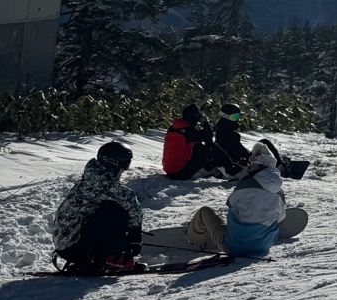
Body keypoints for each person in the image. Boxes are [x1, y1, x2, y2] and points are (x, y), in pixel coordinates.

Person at [52, 141, 142, 274]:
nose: (123, 171)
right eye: (124, 165)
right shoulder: (103, 184)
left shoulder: (93, 177)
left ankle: (100, 256)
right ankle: (109, 258)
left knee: (109, 207)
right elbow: (132, 205)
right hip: (76, 248)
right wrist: (134, 237)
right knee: (116, 209)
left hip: (68, 245)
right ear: (113, 163)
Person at [185, 142, 286, 259]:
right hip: (265, 246)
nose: (250, 164)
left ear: (260, 163)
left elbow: (230, 204)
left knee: (204, 212)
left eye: (253, 161)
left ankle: (193, 238)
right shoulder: (279, 190)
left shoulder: (246, 184)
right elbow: (281, 217)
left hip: (235, 247)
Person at [162, 103, 239, 179]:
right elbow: (208, 136)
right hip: (179, 172)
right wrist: (205, 123)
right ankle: (231, 171)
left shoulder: (176, 127)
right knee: (212, 147)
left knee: (198, 146)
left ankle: (210, 168)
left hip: (170, 169)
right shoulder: (188, 131)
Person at [213, 102, 252, 172]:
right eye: (234, 117)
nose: (237, 120)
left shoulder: (227, 131)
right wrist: (248, 157)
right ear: (226, 116)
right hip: (235, 166)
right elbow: (234, 150)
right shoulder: (225, 133)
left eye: (237, 116)